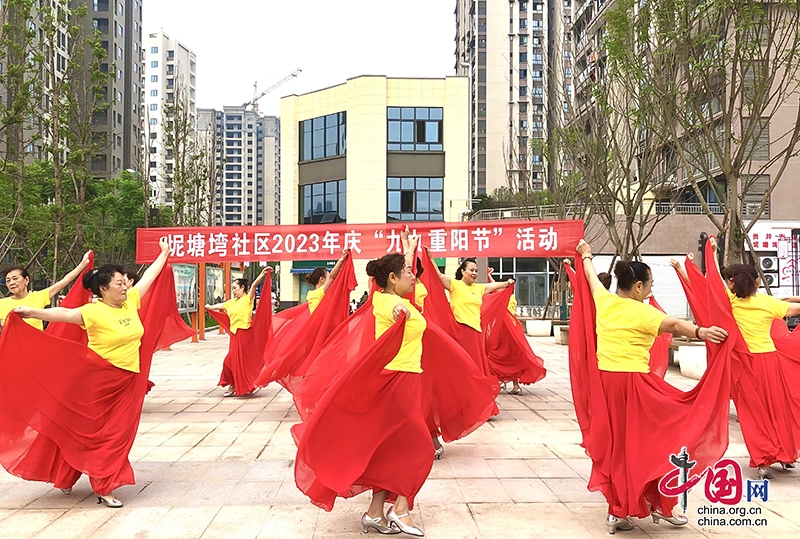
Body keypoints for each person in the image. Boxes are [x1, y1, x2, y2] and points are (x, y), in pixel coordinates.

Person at [573, 239, 729, 533]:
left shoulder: (603, 301)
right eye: (651, 285)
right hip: (633, 387)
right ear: (637, 289)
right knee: (658, 443)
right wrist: (702, 331)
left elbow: (592, 278)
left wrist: (587, 255)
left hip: (606, 387)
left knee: (619, 448)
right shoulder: (643, 312)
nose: (652, 290)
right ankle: (657, 505)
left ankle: (622, 511)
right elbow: (674, 325)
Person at [8, 237, 174, 508]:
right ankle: (101, 485)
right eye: (119, 283)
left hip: (128, 380)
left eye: (125, 282)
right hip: (98, 381)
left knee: (118, 435)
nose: (125, 286)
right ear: (102, 289)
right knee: (93, 434)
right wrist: (29, 311)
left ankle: (90, 479)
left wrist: (163, 253)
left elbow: (149, 277)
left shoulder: (130, 301)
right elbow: (62, 314)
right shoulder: (92, 312)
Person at [293, 253, 429, 536]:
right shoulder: (390, 303)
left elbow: (397, 300)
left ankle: (375, 513)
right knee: (421, 449)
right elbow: (391, 312)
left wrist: (409, 249)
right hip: (398, 381)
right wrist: (399, 314)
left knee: (388, 450)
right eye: (407, 271)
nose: (412, 276)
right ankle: (401, 508)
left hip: (406, 379)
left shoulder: (392, 298)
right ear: (392, 278)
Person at [721, 262, 800, 478]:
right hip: (769, 361)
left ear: (732, 283)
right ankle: (784, 454)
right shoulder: (767, 303)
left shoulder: (729, 301)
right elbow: (793, 308)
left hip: (744, 364)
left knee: (752, 413)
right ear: (757, 282)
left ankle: (763, 460)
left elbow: (704, 291)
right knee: (777, 409)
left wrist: (684, 269)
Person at [426, 254, 512, 375]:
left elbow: (493, 285)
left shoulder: (478, 288)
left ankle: (473, 390)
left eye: (476, 271)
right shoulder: (455, 284)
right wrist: (430, 258)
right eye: (471, 270)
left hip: (476, 331)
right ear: (463, 271)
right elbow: (439, 276)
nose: (474, 273)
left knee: (474, 365)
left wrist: (507, 283)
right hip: (460, 330)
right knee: (462, 364)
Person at [205, 269, 270, 397]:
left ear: (242, 288)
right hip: (235, 335)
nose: (233, 291)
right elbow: (220, 306)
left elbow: (254, 286)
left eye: (235, 288)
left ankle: (235, 385)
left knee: (233, 361)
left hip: (244, 334)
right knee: (231, 361)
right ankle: (234, 384)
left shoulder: (247, 299)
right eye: (232, 288)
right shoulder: (231, 302)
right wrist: (209, 307)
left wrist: (262, 275)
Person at [485, 267, 546, 395]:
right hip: (504, 331)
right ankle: (503, 382)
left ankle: (513, 384)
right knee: (497, 356)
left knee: (511, 357)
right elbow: (495, 288)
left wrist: (491, 277)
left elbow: (496, 290)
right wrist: (490, 276)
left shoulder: (508, 298)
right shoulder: (505, 296)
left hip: (510, 332)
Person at [0, 251, 92, 331]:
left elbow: (65, 280)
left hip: (35, 348)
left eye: (15, 278)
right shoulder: (2, 303)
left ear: (26, 280)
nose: (11, 283)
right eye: (8, 280)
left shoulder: (38, 297)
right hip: (11, 349)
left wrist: (82, 264)